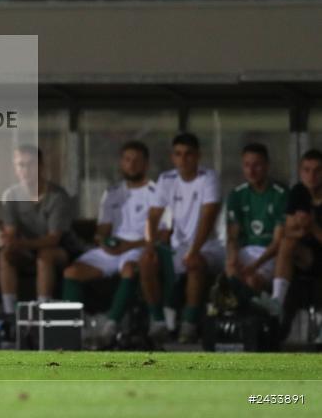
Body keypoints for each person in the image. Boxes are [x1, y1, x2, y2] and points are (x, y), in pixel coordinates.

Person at [62, 141, 153, 345]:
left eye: (137, 160)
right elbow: (103, 229)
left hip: (138, 247)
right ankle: (76, 326)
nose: (131, 164)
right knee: (71, 272)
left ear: (146, 164)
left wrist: (127, 246)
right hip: (113, 249)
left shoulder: (155, 192)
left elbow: (161, 235)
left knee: (129, 269)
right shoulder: (112, 192)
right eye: (127, 160)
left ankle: (110, 324)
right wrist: (103, 241)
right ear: (121, 163)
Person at [140, 133, 223, 344]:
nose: (183, 159)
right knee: (146, 261)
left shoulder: (208, 178)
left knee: (194, 263)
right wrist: (150, 246)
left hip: (209, 247)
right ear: (172, 157)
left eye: (188, 154)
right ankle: (159, 322)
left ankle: (189, 324)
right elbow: (153, 216)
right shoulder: (166, 179)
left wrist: (194, 251)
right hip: (179, 248)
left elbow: (208, 217)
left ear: (198, 156)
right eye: (178, 154)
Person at [0, 145, 80, 314]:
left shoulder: (58, 196)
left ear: (41, 166)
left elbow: (54, 239)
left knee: (45, 255)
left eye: (31, 164)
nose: (26, 170)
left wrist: (20, 243)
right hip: (26, 249)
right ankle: (9, 313)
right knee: (5, 255)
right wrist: (9, 241)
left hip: (60, 250)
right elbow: (11, 233)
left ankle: (43, 311)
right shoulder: (10, 195)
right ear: (15, 168)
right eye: (21, 165)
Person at [255, 149, 322, 340]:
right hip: (307, 256)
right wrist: (301, 229)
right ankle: (277, 301)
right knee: (287, 242)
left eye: (317, 171)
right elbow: (288, 230)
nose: (312, 176)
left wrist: (312, 226)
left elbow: (302, 225)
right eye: (307, 170)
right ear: (300, 172)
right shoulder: (298, 192)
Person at [222, 143, 287, 300]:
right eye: (247, 165)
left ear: (267, 166)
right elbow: (232, 237)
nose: (251, 171)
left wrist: (255, 265)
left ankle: (259, 313)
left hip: (269, 254)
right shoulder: (237, 195)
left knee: (251, 281)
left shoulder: (281, 194)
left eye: (256, 165)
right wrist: (233, 257)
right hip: (245, 251)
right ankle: (233, 312)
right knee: (231, 272)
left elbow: (278, 241)